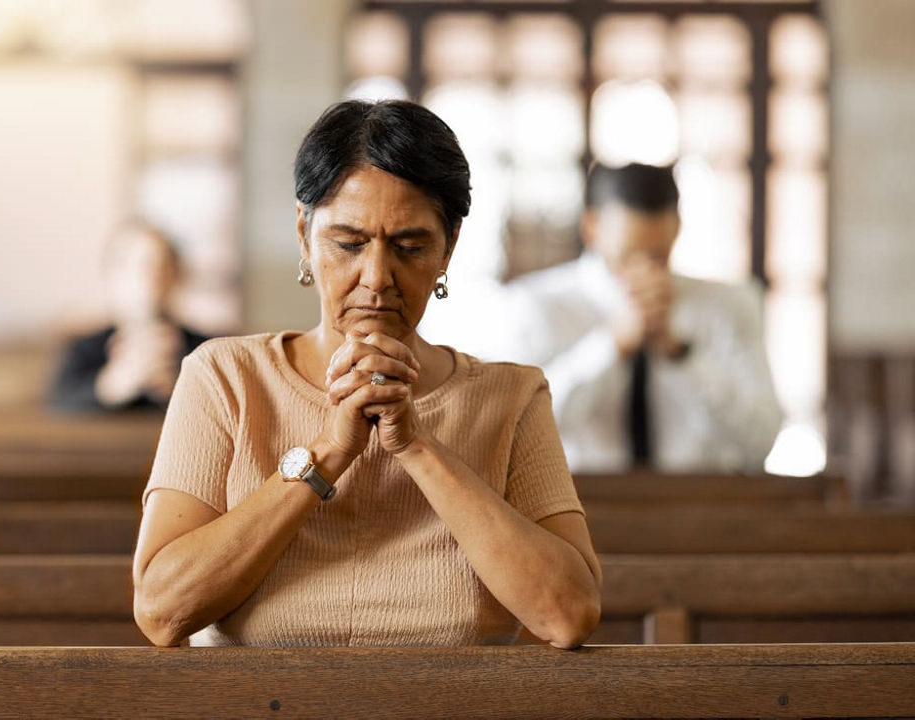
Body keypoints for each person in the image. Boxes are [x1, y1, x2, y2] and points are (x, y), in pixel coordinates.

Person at [133, 100, 601, 649]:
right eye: (349, 244)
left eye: (410, 247)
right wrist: (330, 450)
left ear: (448, 247)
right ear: (305, 234)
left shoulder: (512, 397)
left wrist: (417, 445)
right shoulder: (225, 377)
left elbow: (568, 615)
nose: (377, 278)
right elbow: (163, 612)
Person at [495, 163, 783, 473]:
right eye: (628, 254)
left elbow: (760, 442)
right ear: (592, 227)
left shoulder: (730, 306)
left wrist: (683, 356)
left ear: (677, 228)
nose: (644, 268)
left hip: (702, 507)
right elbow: (514, 431)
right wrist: (611, 346)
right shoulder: (535, 305)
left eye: (659, 255)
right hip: (574, 510)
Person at [48, 223, 208, 411]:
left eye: (160, 266)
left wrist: (179, 391)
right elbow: (56, 404)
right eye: (134, 265)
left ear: (175, 275)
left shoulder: (206, 350)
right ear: (111, 275)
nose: (149, 278)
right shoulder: (83, 349)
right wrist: (112, 385)